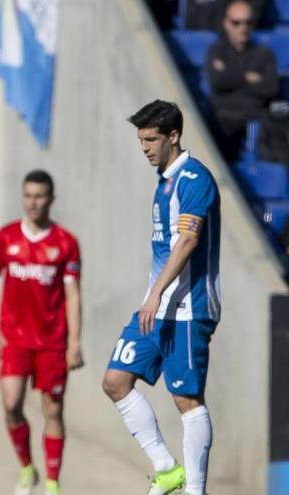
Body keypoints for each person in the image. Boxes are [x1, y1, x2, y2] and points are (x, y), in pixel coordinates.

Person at [102, 100, 220, 495]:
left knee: (187, 400)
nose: (145, 147)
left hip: (188, 306)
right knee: (116, 380)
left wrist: (155, 294)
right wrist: (153, 297)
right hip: (158, 306)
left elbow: (188, 240)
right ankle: (167, 468)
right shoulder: (165, 179)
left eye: (151, 139)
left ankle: (196, 490)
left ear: (174, 136)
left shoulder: (194, 178)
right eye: (141, 140)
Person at [0, 170, 83, 495]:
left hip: (52, 341)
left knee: (53, 408)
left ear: (51, 199)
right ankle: (27, 467)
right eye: (28, 196)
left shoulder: (65, 243)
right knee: (11, 404)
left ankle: (53, 482)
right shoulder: (7, 237)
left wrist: (75, 342)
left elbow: (73, 295)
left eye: (39, 196)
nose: (33, 203)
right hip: (14, 338)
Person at [205, 0, 279, 160]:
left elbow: (270, 87)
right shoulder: (217, 50)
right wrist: (248, 77)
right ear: (226, 23)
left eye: (248, 22)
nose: (243, 28)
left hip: (253, 113)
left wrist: (231, 77)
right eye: (236, 23)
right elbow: (217, 80)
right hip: (222, 117)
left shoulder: (264, 53)